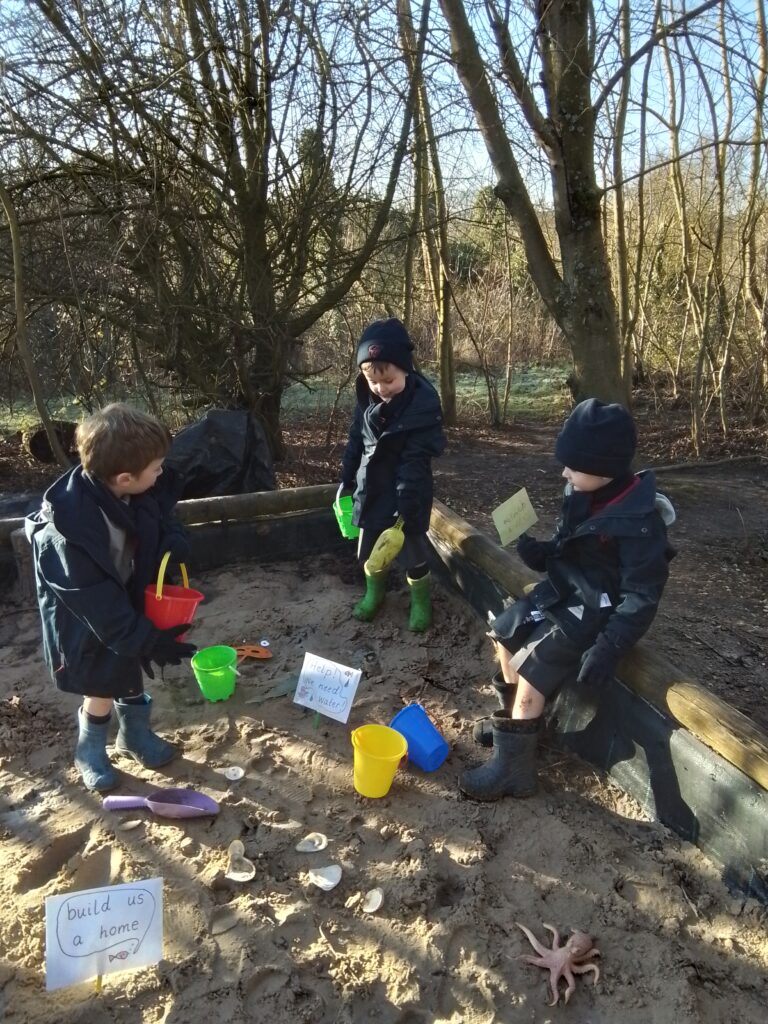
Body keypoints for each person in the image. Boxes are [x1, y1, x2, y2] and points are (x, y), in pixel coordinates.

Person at [460, 398, 675, 802]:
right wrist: (544, 553)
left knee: (534, 671)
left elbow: (642, 595)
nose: (564, 472)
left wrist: (609, 647)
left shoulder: (639, 524)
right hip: (565, 589)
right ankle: (517, 727)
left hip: (595, 611)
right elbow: (568, 543)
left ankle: (515, 770)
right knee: (504, 633)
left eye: (573, 467)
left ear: (605, 468)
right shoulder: (582, 492)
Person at [25, 404, 196, 792]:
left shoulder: (135, 490)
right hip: (84, 620)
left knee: (130, 669)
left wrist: (174, 541)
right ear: (124, 477)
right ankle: (89, 748)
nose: (161, 473)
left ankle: (133, 735)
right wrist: (147, 638)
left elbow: (161, 514)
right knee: (102, 682)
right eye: (155, 468)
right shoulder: (66, 534)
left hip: (126, 594)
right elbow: (96, 604)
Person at [339, 317, 445, 632]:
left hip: (407, 493)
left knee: (411, 550)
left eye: (389, 381)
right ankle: (375, 594)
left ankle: (421, 601)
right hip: (371, 489)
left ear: (405, 370)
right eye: (373, 382)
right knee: (371, 550)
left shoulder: (422, 406)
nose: (381, 389)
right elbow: (356, 440)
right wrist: (346, 478)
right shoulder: (366, 400)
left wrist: (406, 500)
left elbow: (415, 461)